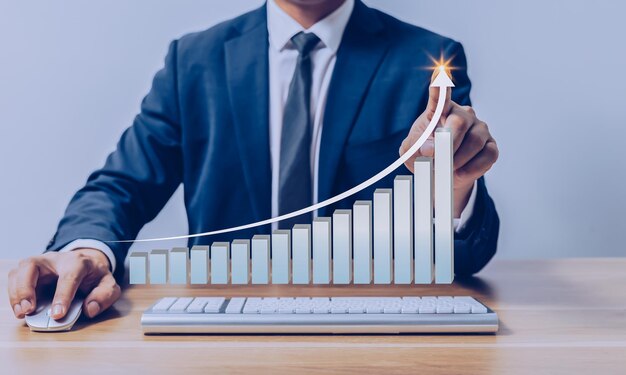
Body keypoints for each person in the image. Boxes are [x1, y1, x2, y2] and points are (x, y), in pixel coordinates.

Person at [8, 0, 499, 322]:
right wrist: (89, 250)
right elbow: (121, 186)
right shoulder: (194, 61)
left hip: (371, 325)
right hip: (221, 323)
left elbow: (466, 257)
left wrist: (452, 188)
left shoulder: (425, 58)